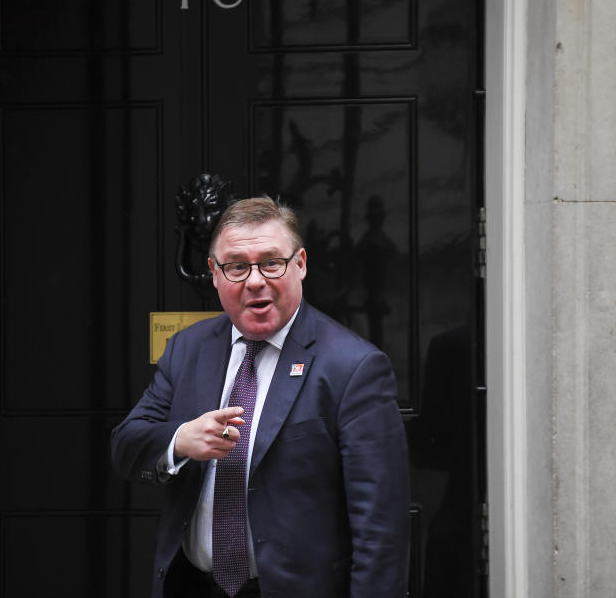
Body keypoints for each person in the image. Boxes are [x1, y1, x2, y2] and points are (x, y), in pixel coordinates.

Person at [110, 196, 410, 598]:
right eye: (237, 266)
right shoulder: (187, 349)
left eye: (271, 262)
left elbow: (381, 531)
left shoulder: (353, 368)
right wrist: (181, 440)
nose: (255, 281)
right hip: (193, 586)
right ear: (215, 274)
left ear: (300, 264)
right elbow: (126, 446)